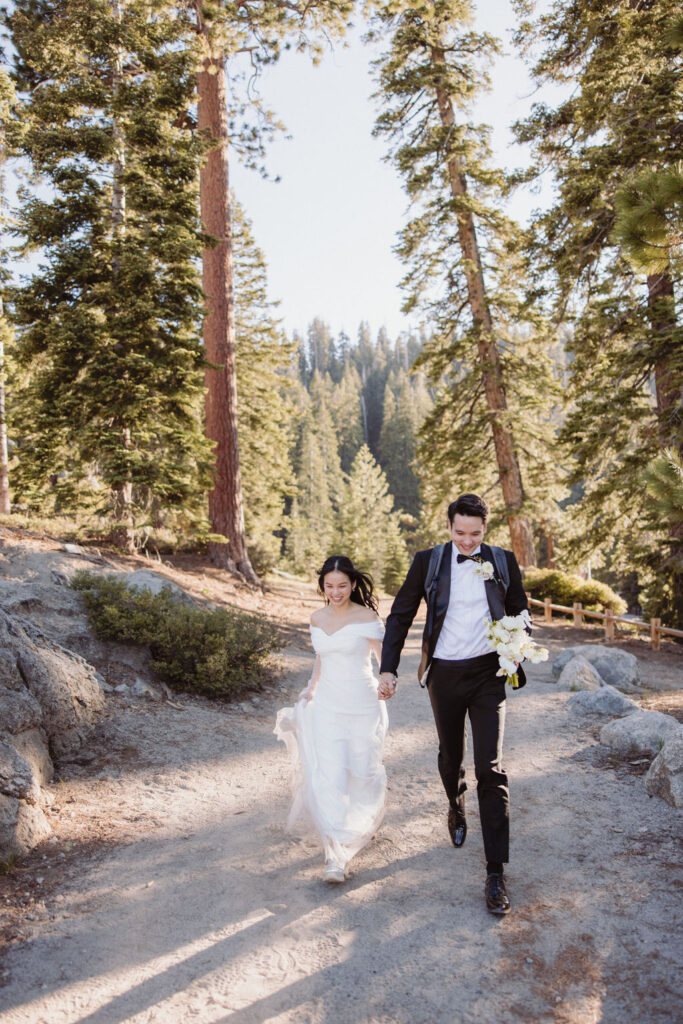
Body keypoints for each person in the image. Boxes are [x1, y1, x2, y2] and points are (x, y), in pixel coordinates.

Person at [378, 493, 530, 915]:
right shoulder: (428, 561)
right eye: (459, 533)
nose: (467, 541)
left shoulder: (502, 560)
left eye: (475, 534)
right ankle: (454, 803)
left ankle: (496, 871)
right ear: (449, 527)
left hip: (488, 674)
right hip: (443, 673)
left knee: (491, 767)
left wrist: (518, 646)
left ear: (486, 529)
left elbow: (520, 610)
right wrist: (388, 667)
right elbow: (401, 614)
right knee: (451, 757)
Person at [274, 555, 388, 884]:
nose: (335, 592)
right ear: (322, 586)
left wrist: (387, 680)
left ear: (353, 584)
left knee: (363, 771)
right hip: (326, 706)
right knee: (328, 775)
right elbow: (320, 658)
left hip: (363, 703)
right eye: (329, 586)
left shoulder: (367, 617)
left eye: (342, 585)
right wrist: (311, 688)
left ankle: (360, 823)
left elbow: (385, 661)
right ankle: (334, 857)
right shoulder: (316, 618)